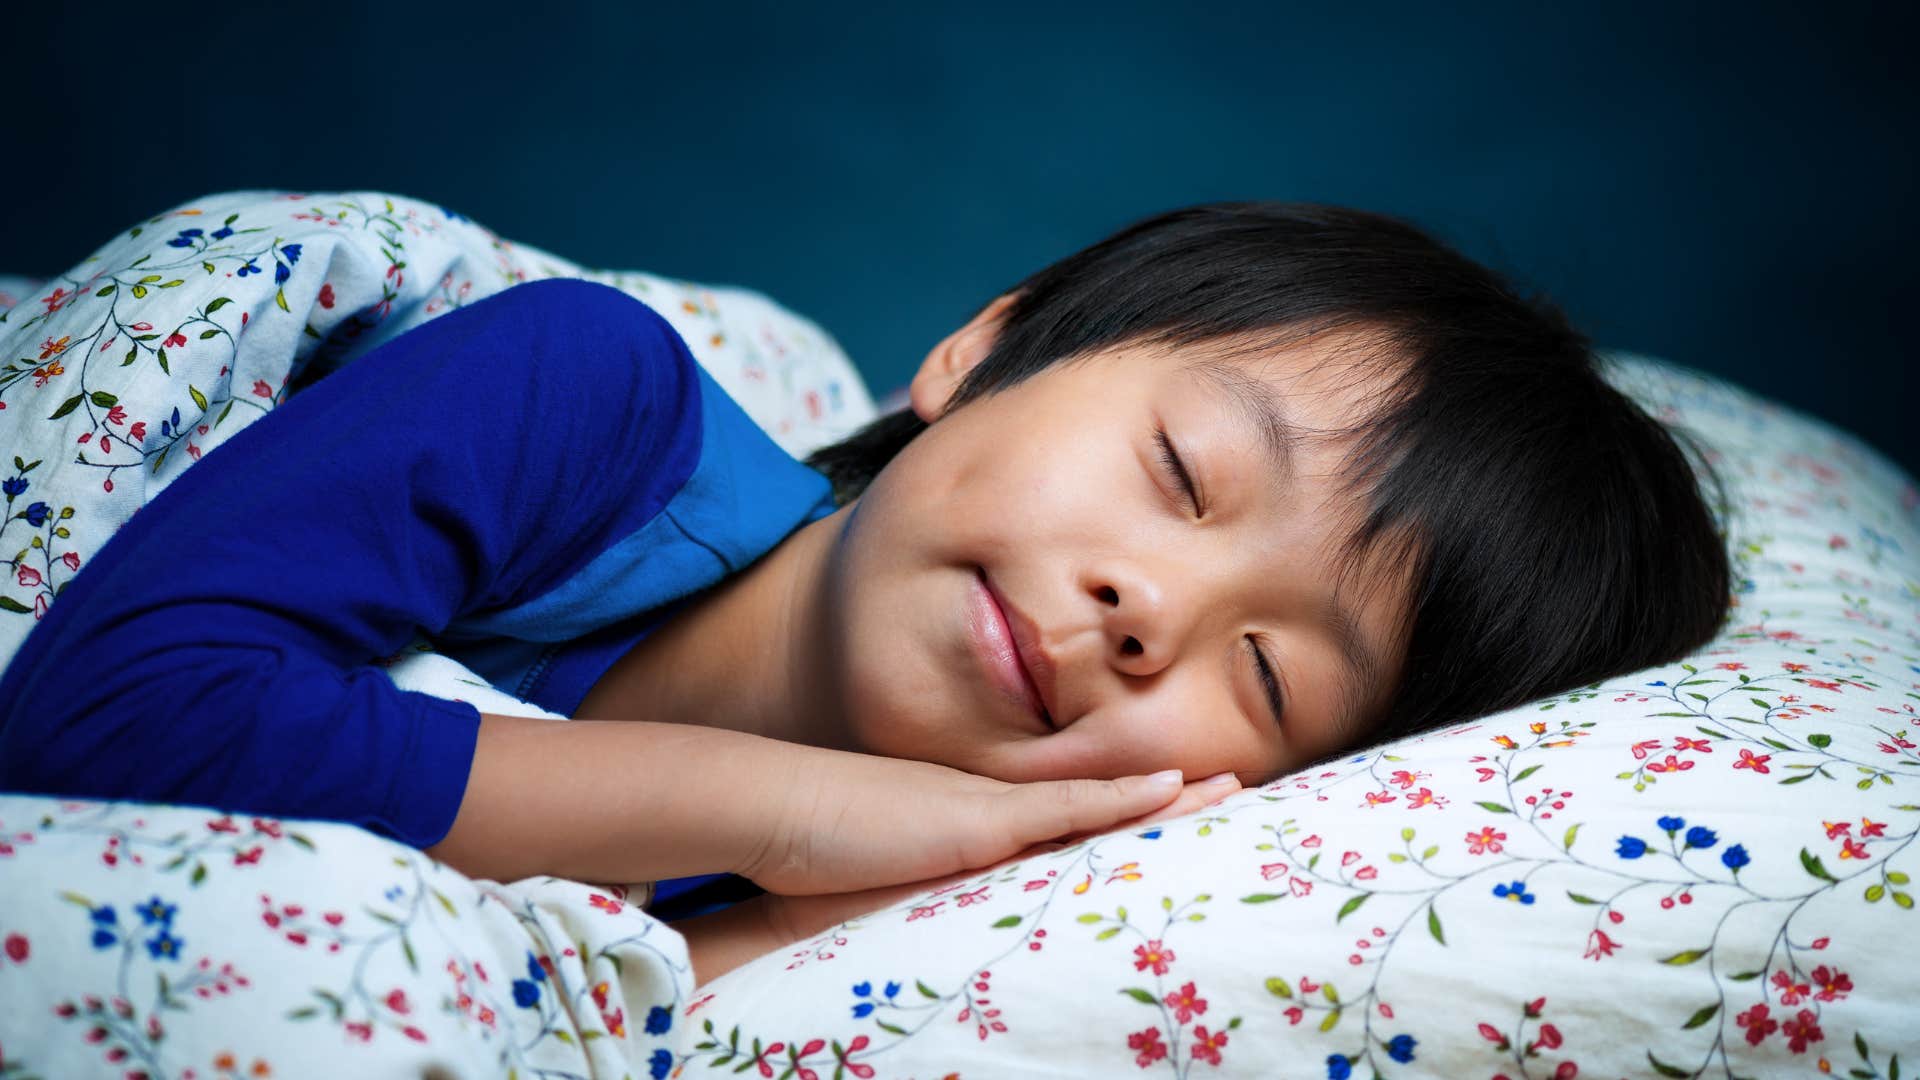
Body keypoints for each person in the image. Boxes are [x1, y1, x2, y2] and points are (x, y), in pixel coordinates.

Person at [0, 201, 1731, 983]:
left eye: (1270, 677)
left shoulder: (957, 927)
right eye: (1187, 475)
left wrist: (803, 894)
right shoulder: (575, 395)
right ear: (983, 346)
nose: (1147, 608)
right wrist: (795, 807)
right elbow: (102, 716)